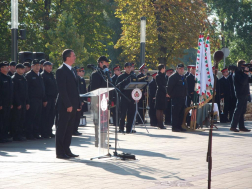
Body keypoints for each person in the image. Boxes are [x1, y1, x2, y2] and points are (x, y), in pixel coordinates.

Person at [55, 49, 81, 159]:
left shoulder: (73, 70)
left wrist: (78, 104)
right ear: (67, 57)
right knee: (62, 128)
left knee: (69, 129)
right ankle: (60, 152)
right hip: (65, 106)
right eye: (73, 55)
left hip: (73, 105)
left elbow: (75, 89)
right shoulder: (61, 70)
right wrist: (68, 104)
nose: (75, 57)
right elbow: (62, 90)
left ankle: (67, 149)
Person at [90, 56, 111, 147]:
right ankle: (97, 141)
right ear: (100, 63)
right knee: (97, 122)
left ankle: (103, 141)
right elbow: (94, 88)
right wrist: (97, 101)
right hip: (97, 101)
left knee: (105, 121)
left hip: (105, 100)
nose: (107, 64)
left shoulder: (106, 74)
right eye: (105, 62)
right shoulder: (95, 74)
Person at [25, 59, 46, 140]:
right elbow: (27, 90)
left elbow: (42, 88)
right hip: (32, 100)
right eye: (35, 65)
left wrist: (44, 99)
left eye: (38, 65)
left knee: (38, 117)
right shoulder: (29, 75)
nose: (37, 67)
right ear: (32, 66)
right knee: (31, 117)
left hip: (39, 100)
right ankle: (29, 134)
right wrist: (28, 102)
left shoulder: (39, 75)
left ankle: (36, 133)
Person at [116, 62, 138, 133]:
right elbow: (117, 87)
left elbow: (137, 87)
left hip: (132, 98)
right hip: (124, 98)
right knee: (123, 114)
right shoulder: (121, 77)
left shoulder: (134, 77)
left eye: (130, 67)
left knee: (131, 113)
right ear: (124, 68)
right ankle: (121, 128)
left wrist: (137, 97)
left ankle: (129, 129)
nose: (129, 68)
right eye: (127, 67)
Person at [230, 60, 251, 132]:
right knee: (238, 110)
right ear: (240, 66)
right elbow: (242, 81)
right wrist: (246, 73)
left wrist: (249, 73)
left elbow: (249, 80)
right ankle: (233, 126)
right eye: (244, 65)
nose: (246, 67)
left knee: (242, 110)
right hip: (240, 93)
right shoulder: (237, 73)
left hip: (245, 93)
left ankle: (241, 127)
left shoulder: (242, 73)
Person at [11, 63, 29, 141]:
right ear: (17, 69)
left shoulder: (23, 78)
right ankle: (15, 135)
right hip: (17, 103)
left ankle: (20, 134)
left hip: (24, 101)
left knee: (22, 119)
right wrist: (18, 103)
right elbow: (15, 92)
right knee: (16, 119)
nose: (23, 70)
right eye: (21, 68)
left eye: (23, 68)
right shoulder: (14, 78)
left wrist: (27, 102)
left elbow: (26, 91)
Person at [167, 63, 187, 132]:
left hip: (182, 98)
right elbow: (169, 88)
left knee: (181, 113)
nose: (181, 70)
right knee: (175, 113)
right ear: (177, 69)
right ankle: (174, 127)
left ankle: (179, 126)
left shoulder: (183, 77)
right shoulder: (173, 77)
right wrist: (172, 95)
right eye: (180, 69)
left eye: (182, 69)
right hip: (176, 98)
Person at [41, 61, 58, 138]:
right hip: (47, 98)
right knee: (45, 116)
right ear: (44, 66)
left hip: (52, 99)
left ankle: (49, 131)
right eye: (48, 65)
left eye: (51, 65)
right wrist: (44, 100)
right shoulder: (43, 75)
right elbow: (43, 89)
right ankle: (44, 132)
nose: (50, 67)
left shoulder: (51, 75)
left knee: (51, 116)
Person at [0, 62, 13, 143]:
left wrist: (11, 103)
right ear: (1, 68)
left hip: (8, 103)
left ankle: (5, 136)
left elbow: (11, 92)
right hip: (2, 103)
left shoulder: (8, 77)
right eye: (5, 67)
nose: (8, 68)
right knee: (1, 120)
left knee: (6, 120)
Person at [73, 66, 88, 136]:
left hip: (80, 100)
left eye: (79, 71)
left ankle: (76, 129)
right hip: (74, 100)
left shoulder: (81, 79)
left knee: (78, 116)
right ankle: (72, 130)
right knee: (74, 116)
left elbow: (83, 91)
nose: (78, 72)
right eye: (77, 71)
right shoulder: (73, 79)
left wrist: (83, 100)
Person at [155, 64, 167, 129]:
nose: (165, 69)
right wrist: (166, 91)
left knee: (162, 109)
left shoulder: (163, 76)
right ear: (162, 68)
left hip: (163, 93)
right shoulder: (158, 76)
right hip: (160, 93)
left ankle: (161, 123)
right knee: (159, 108)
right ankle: (159, 123)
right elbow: (160, 85)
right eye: (164, 68)